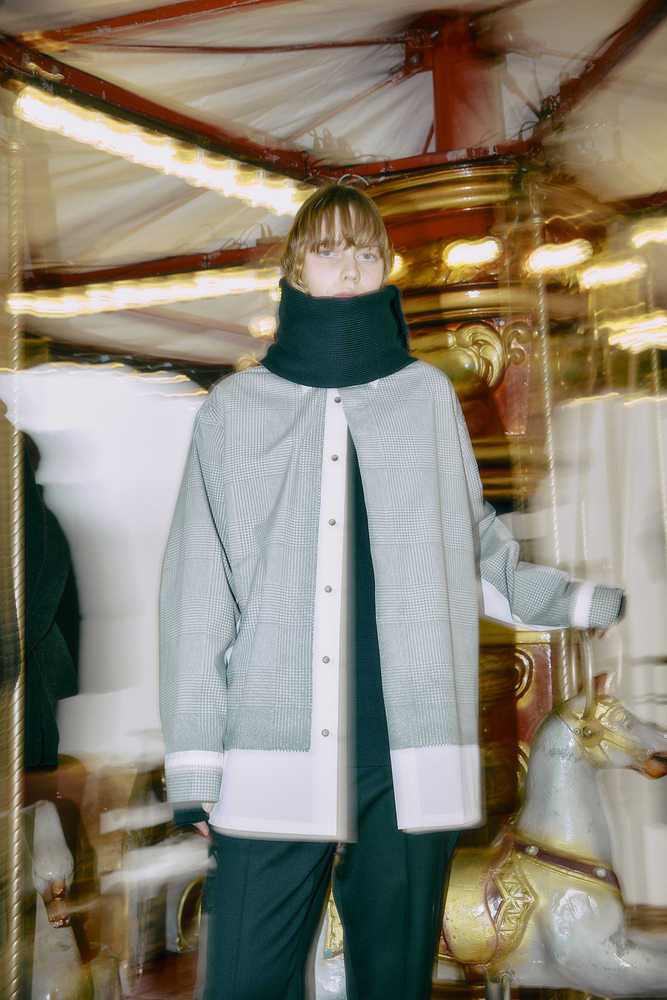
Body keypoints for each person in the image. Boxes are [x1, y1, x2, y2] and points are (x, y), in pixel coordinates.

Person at [160, 184, 624, 1000]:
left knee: (393, 984)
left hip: (407, 745)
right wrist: (195, 763)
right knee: (242, 979)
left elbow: (474, 547)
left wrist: (577, 603)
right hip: (272, 742)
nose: (349, 268)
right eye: (328, 250)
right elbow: (197, 595)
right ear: (295, 269)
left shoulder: (424, 397)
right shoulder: (234, 411)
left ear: (385, 270)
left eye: (366, 252)